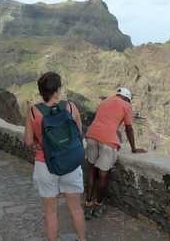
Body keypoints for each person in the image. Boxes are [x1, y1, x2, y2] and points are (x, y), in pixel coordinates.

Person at [24, 72, 85, 241]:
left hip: (45, 165)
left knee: (50, 212)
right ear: (58, 89)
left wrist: (40, 141)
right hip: (71, 163)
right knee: (76, 208)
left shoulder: (33, 112)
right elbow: (79, 135)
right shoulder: (71, 107)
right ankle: (82, 239)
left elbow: (28, 141)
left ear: (41, 90)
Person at [84, 87, 147, 219]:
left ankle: (88, 204)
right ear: (128, 98)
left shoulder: (105, 100)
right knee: (103, 175)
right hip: (108, 141)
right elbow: (129, 128)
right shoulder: (127, 106)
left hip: (91, 135)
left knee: (90, 170)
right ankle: (98, 205)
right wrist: (134, 148)